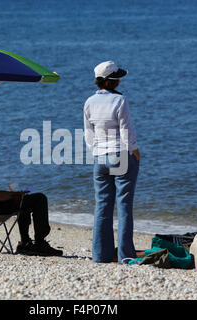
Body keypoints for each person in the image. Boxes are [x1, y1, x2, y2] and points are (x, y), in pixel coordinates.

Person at [83, 61, 140, 264]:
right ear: (112, 82)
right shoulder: (120, 100)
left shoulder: (89, 102)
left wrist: (96, 152)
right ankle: (126, 256)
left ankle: (100, 256)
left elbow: (88, 133)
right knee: (124, 206)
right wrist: (135, 151)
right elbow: (126, 130)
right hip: (121, 155)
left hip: (99, 158)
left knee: (102, 206)